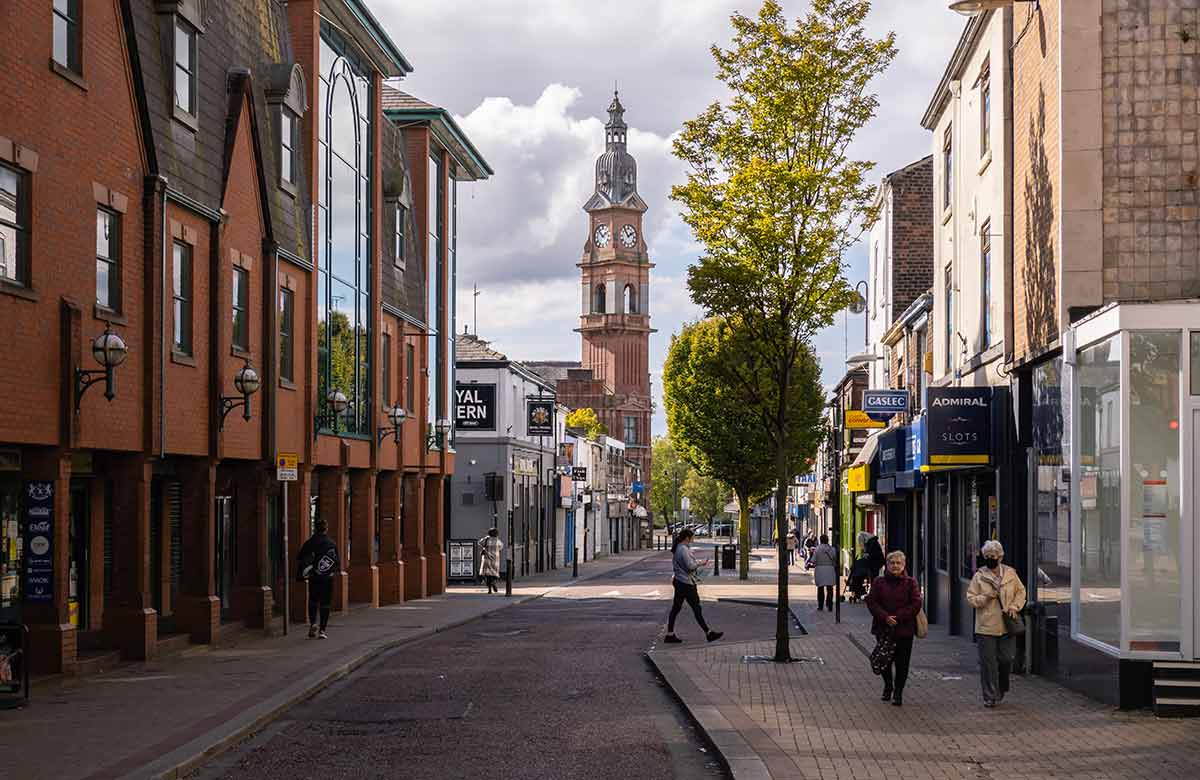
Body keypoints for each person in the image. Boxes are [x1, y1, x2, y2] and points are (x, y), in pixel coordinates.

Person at [966, 540, 1027, 708]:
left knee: (1007, 659)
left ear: (1000, 557)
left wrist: (1015, 606)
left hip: (1007, 624)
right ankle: (990, 696)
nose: (990, 559)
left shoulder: (1010, 574)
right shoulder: (979, 576)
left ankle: (1001, 687)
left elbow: (1021, 591)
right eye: (987, 556)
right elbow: (971, 598)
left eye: (993, 556)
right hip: (986, 625)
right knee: (988, 662)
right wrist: (985, 598)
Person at [865, 551, 922, 706]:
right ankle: (888, 685)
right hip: (883, 629)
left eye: (899, 563)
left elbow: (916, 603)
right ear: (887, 565)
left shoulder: (911, 583)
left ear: (903, 566)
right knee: (884, 660)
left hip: (904, 629)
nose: (895, 566)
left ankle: (898, 692)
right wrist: (885, 617)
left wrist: (898, 617)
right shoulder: (879, 582)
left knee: (902, 663)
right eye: (892, 563)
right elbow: (872, 602)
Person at [664, 528, 723, 644]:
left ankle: (670, 634)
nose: (693, 539)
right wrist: (701, 563)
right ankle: (708, 633)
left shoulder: (680, 548)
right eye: (692, 537)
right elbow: (690, 566)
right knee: (696, 608)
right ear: (687, 538)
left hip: (680, 581)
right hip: (686, 583)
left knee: (676, 608)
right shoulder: (683, 549)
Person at [297, 519, 339, 639]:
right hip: (327, 579)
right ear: (326, 529)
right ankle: (322, 630)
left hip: (314, 577)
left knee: (313, 601)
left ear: (315, 528)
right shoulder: (331, 543)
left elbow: (300, 557)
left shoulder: (310, 542)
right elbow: (336, 562)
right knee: (325, 604)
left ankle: (313, 623)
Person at [812, 534, 837, 611]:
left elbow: (813, 560)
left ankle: (820, 606)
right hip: (830, 569)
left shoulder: (817, 549)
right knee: (830, 588)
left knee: (820, 588)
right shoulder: (832, 549)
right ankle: (830, 605)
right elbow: (835, 558)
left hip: (820, 570)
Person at [478, 527, 503, 594]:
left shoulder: (486, 540)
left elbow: (479, 542)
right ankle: (493, 582)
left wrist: (486, 538)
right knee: (494, 574)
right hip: (495, 560)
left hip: (487, 559)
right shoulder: (498, 541)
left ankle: (489, 589)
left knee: (487, 575)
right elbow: (501, 547)